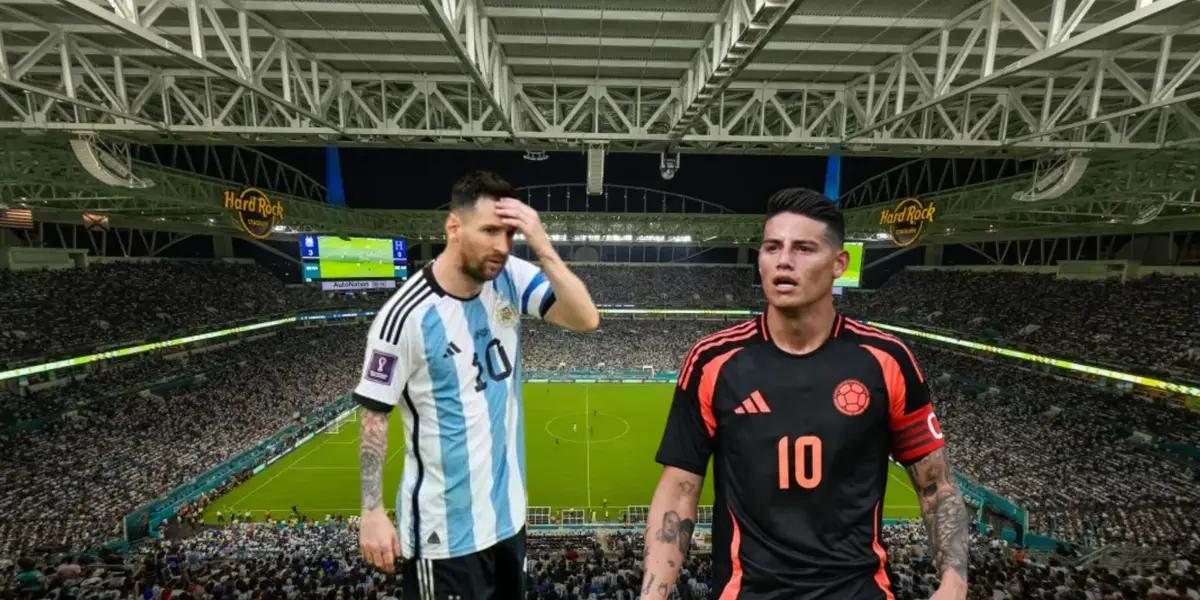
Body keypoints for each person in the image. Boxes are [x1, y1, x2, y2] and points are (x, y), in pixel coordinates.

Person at [640, 188, 969, 599]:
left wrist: (954, 583)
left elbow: (936, 485)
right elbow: (679, 488)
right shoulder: (712, 361)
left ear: (839, 263)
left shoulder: (887, 360)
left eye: (803, 248)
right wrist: (653, 593)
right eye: (772, 247)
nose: (783, 261)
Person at [356, 170, 600, 598]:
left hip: (508, 521)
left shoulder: (509, 277)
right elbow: (374, 414)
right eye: (490, 231)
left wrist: (542, 246)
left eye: (509, 233)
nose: (502, 246)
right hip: (445, 538)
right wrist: (371, 510)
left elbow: (585, 318)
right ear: (453, 226)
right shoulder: (405, 317)